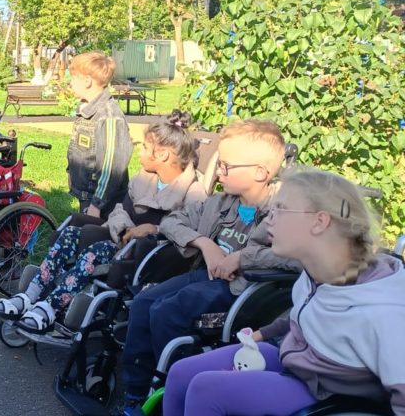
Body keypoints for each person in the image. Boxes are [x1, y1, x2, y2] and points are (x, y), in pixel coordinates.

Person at [162, 168, 405, 416]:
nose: (269, 219)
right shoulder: (314, 275)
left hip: (329, 392)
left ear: (319, 222)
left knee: (206, 390)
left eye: (281, 209)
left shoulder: (385, 311)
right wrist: (264, 333)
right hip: (296, 359)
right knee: (181, 373)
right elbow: (308, 318)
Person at [114, 119, 297, 415]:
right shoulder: (220, 203)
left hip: (244, 292)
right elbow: (173, 220)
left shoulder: (284, 211)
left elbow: (294, 255)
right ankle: (135, 391)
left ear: (261, 172)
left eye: (226, 166)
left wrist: (243, 257)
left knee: (166, 311)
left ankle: (171, 388)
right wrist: (203, 242)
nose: (218, 171)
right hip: (206, 278)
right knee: (143, 302)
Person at [0, 110, 206, 333]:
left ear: (162, 155)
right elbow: (121, 209)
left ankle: (51, 307)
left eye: (144, 147)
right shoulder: (144, 178)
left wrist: (152, 229)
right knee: (69, 234)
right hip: (121, 237)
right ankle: (29, 296)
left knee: (94, 252)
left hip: (147, 253)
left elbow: (186, 232)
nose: (139, 152)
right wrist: (125, 227)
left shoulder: (193, 192)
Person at [66, 51, 133, 222]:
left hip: (103, 204)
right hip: (86, 196)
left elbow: (112, 167)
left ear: (87, 81)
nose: (70, 82)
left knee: (93, 242)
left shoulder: (109, 116)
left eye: (73, 78)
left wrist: (97, 204)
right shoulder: (86, 110)